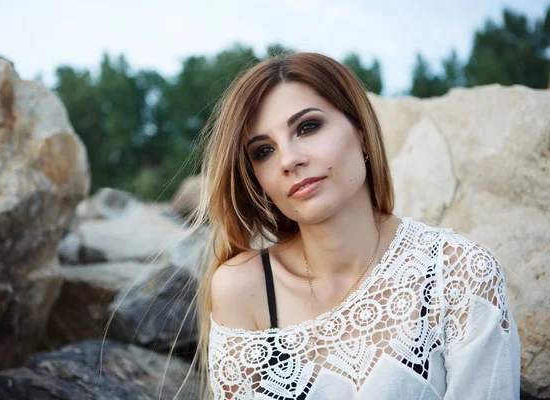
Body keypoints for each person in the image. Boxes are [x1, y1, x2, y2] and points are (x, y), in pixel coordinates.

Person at [186, 52, 520, 399]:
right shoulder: (244, 289)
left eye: (308, 127)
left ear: (361, 132)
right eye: (263, 151)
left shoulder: (457, 271)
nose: (289, 159)